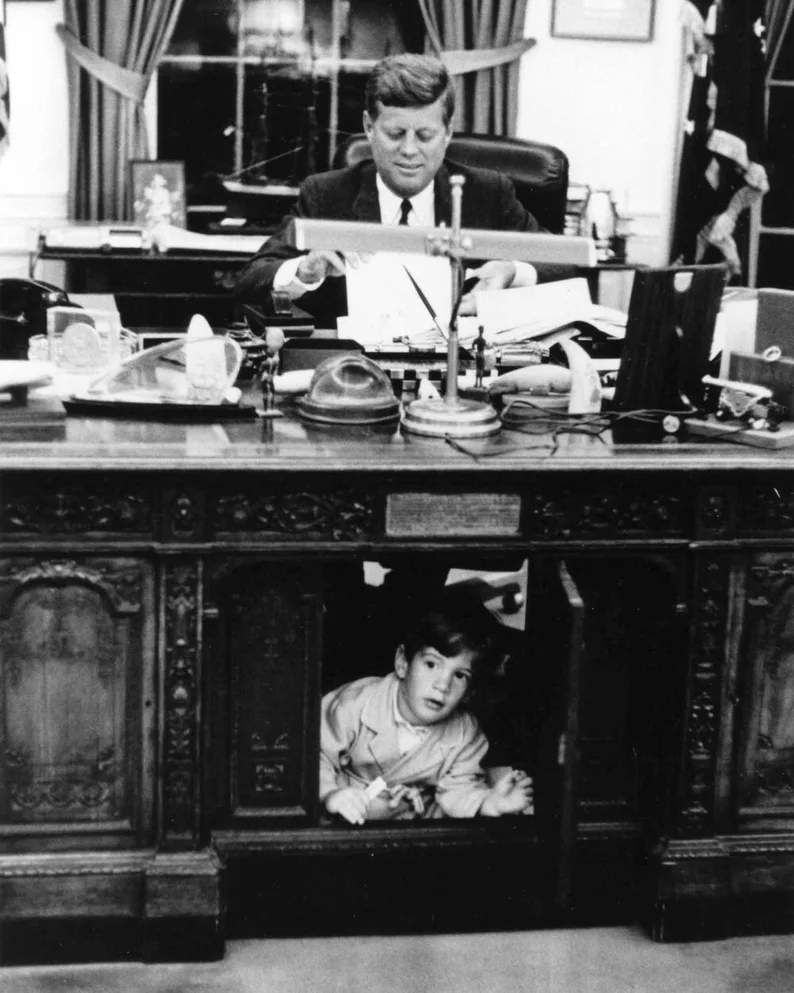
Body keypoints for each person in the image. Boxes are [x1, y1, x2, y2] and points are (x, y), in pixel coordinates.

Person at [235, 53, 547, 327]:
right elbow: (250, 281)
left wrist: (514, 271)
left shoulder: (487, 193)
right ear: (369, 127)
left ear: (448, 132)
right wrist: (305, 271)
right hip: (356, 377)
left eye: (425, 135)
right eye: (395, 134)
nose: (409, 150)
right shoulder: (326, 194)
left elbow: (566, 265)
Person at [320, 589, 534, 824]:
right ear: (402, 663)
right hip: (345, 815)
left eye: (460, 676)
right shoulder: (354, 704)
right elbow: (315, 756)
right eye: (432, 664)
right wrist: (330, 793)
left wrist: (488, 802)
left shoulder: (465, 732)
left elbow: (460, 786)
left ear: (469, 692)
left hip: (409, 822)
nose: (443, 685)